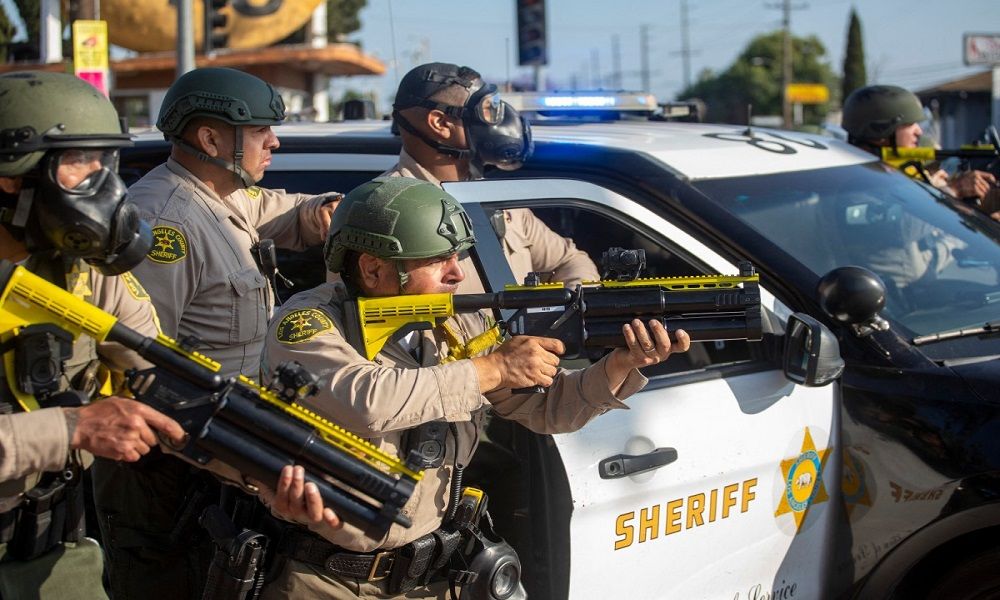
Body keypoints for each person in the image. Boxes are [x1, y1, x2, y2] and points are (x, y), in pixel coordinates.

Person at [258, 177, 690, 598]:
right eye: (437, 260)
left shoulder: (453, 323)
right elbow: (366, 399)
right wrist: (493, 368)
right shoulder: (309, 324)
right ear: (373, 269)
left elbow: (547, 409)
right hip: (326, 581)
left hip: (432, 576)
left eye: (457, 256)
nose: (457, 273)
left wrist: (620, 364)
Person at [92, 67, 339, 600]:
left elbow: (281, 210)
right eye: (260, 131)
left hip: (224, 454)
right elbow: (144, 370)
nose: (274, 142)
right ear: (209, 139)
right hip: (170, 470)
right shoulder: (166, 220)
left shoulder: (223, 196)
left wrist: (329, 213)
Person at [0, 71, 186, 599]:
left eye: (107, 162)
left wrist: (270, 472)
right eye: (80, 162)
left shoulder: (78, 273)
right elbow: (77, 427)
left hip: (50, 553)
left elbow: (165, 381)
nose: (105, 187)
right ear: (13, 177)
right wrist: (69, 429)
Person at [386, 62, 600, 291]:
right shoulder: (386, 210)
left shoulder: (500, 202)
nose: (499, 120)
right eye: (487, 110)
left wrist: (563, 310)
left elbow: (570, 261)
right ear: (441, 124)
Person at [842, 84, 997, 215]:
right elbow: (902, 228)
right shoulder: (854, 184)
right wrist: (953, 190)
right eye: (909, 124)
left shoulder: (892, 172)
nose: (919, 131)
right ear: (881, 131)